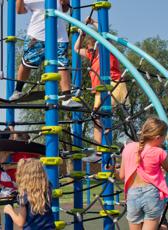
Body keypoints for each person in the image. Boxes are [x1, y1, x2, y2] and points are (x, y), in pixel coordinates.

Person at [74, 17, 129, 162]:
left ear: (98, 44)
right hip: (100, 90)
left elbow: (104, 32)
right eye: (89, 48)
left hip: (114, 85)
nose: (90, 50)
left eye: (92, 47)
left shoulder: (106, 51)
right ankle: (99, 151)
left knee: (101, 115)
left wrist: (92, 22)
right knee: (96, 118)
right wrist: (81, 35)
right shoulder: (91, 55)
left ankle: (106, 145)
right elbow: (76, 49)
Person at [10, 0, 81, 107]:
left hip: (59, 35)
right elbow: (20, 11)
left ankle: (67, 97)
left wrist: (65, 2)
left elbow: (64, 9)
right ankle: (18, 90)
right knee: (27, 63)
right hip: (37, 35)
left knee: (62, 65)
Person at [118, 117, 168, 230]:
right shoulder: (158, 152)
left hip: (132, 194)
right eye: (163, 139)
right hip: (151, 194)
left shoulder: (128, 148)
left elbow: (121, 176)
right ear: (158, 138)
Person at [4, 158, 55, 229]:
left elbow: (20, 222)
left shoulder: (23, 195)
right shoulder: (48, 187)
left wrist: (9, 211)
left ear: (25, 176)